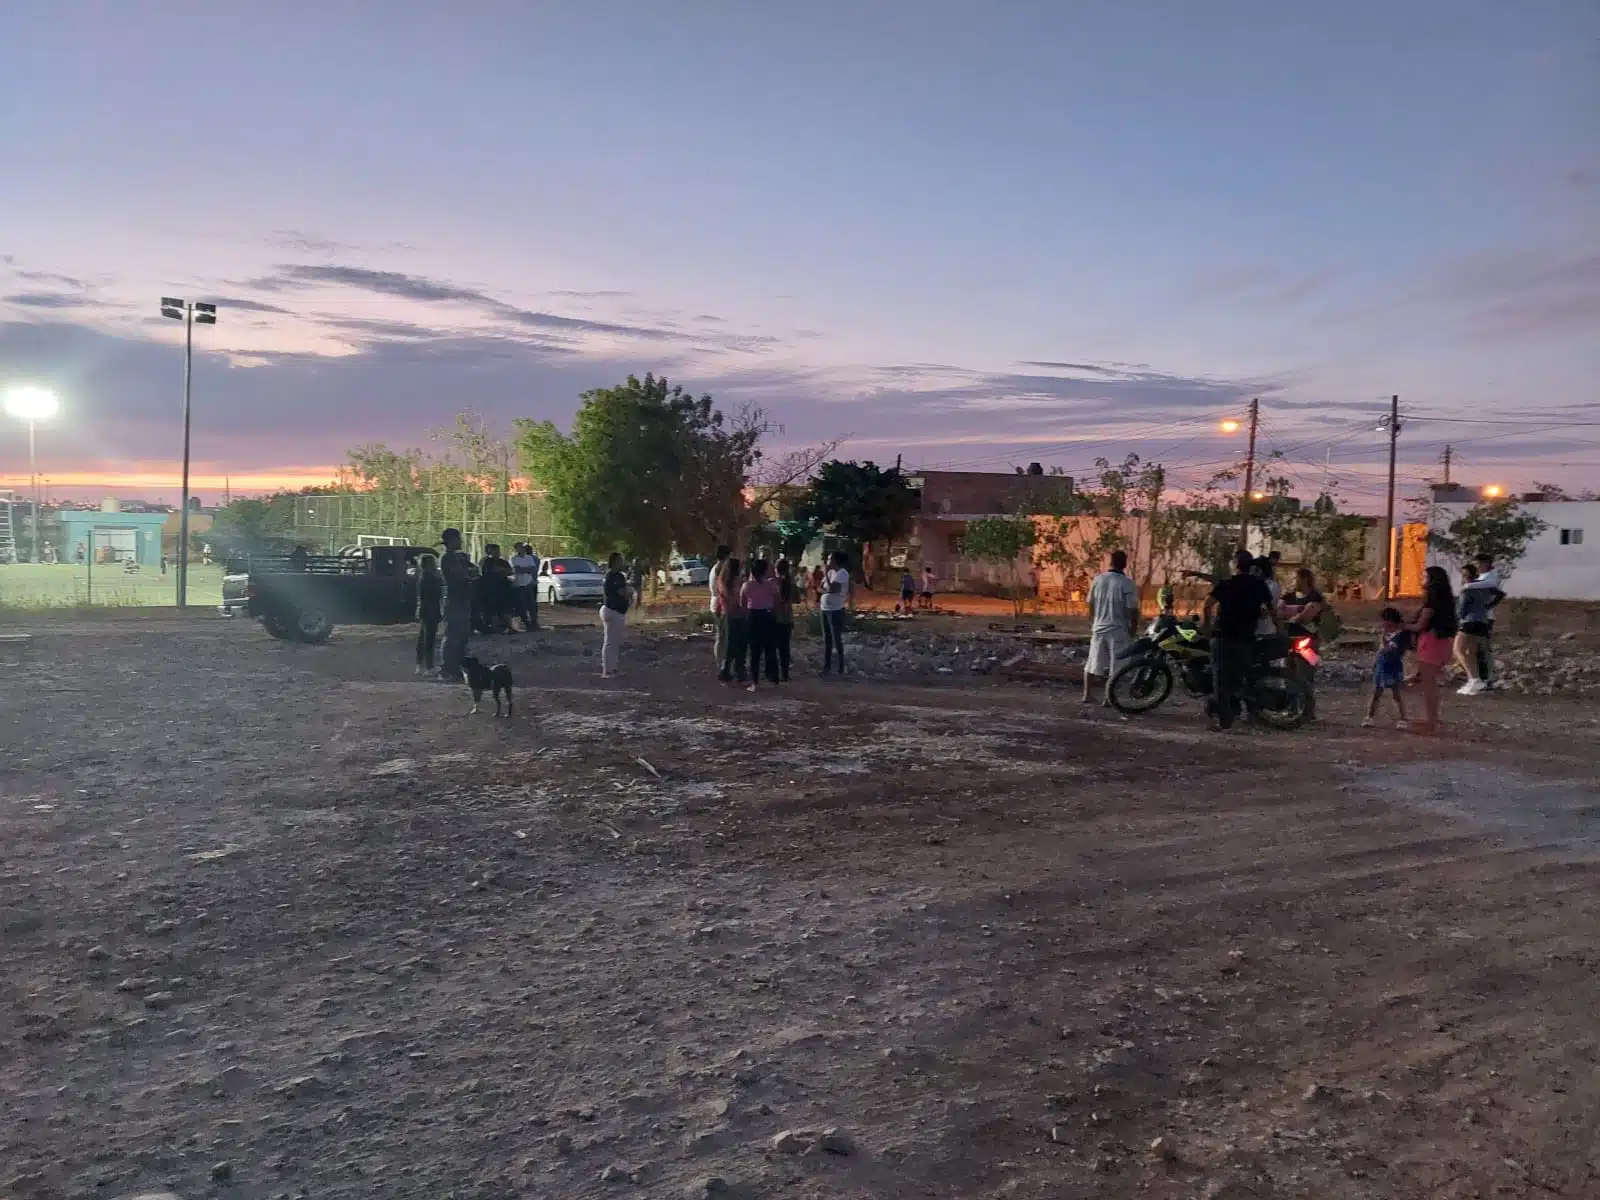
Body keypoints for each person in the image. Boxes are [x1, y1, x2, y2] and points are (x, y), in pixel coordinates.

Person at [1203, 550, 1276, 731]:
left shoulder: (1226, 584)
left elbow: (1207, 604)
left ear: (1236, 564)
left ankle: (1224, 719)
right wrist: (1279, 630)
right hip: (1245, 639)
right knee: (1240, 678)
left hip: (1222, 637)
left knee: (1220, 679)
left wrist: (1206, 626)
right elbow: (1271, 610)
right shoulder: (1259, 586)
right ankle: (1240, 714)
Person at [1083, 550, 1140, 705]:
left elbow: (1090, 604)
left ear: (1110, 562)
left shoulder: (1098, 579)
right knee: (1117, 665)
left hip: (1098, 627)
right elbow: (1132, 609)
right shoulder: (1127, 583)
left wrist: (1092, 622)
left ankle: (1087, 694)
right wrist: (1133, 628)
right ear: (1125, 564)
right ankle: (1108, 698)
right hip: (1118, 629)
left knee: (1093, 661)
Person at [1407, 565, 1458, 735]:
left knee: (1429, 685)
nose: (1423, 580)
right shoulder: (1446, 602)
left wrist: (1401, 626)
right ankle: (1431, 719)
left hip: (1431, 643)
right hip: (1441, 642)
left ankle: (1431, 722)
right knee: (1430, 683)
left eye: (1425, 577)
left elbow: (1419, 625)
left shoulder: (1431, 602)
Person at [1281, 566, 1326, 721]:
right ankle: (1292, 709)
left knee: (1306, 676)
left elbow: (1307, 616)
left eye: (1297, 578)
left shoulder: (1315, 596)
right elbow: (1279, 611)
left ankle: (1308, 712)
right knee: (1288, 674)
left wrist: (1292, 613)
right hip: (1289, 640)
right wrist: (1299, 610)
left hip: (1309, 642)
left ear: (1305, 579)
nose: (1295, 581)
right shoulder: (1288, 596)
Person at [1363, 607, 1411, 727]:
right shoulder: (1385, 634)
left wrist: (1383, 648)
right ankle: (1369, 716)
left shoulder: (1401, 635)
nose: (1383, 623)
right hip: (1381, 665)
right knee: (1376, 692)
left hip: (1393, 666)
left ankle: (1402, 718)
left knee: (1396, 693)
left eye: (1385, 620)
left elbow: (1390, 649)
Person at [439, 528, 475, 683]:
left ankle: (457, 666)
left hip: (462, 599)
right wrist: (467, 571)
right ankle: (447, 668)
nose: (460, 541)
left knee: (462, 636)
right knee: (453, 635)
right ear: (451, 541)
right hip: (454, 600)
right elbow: (460, 576)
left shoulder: (456, 558)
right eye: (458, 539)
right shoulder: (447, 558)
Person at [1464, 555, 1505, 690]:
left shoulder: (1489, 578)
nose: (1477, 566)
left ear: (1486, 563)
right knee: (1475, 649)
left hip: (1486, 618)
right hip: (1477, 618)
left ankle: (1487, 679)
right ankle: (1480, 677)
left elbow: (1499, 594)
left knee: (1483, 648)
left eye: (1478, 564)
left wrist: (1488, 606)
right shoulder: (1480, 579)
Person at [740, 558, 782, 691]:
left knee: (755, 651)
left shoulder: (747, 585)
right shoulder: (771, 585)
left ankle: (755, 682)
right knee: (770, 649)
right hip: (768, 616)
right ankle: (774, 679)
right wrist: (774, 614)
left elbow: (743, 604)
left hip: (753, 617)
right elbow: (777, 601)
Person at [1454, 563, 1495, 695]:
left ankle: (1473, 678)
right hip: (1482, 621)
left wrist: (1457, 619)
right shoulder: (1482, 589)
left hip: (1469, 622)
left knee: (1458, 649)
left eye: (1464, 575)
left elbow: (1461, 609)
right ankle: (1476, 680)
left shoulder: (1467, 589)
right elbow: (1496, 596)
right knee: (1470, 652)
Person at [716, 557, 748, 684]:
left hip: (728, 613)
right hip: (737, 615)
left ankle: (727, 669)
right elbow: (737, 598)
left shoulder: (722, 581)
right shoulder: (736, 581)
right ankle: (737, 670)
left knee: (731, 644)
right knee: (740, 644)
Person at [820, 551, 851, 676]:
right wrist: (827, 584)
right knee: (827, 639)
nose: (827, 562)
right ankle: (826, 667)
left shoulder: (842, 573)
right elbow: (820, 587)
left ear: (835, 561)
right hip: (825, 608)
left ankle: (840, 667)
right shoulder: (831, 573)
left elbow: (833, 589)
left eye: (829, 559)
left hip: (836, 609)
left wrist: (826, 576)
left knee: (836, 638)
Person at [600, 551, 630, 678]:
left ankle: (612, 668)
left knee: (614, 641)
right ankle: (607, 670)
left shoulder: (619, 576)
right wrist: (628, 592)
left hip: (617, 610)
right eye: (619, 560)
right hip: (612, 610)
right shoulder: (612, 576)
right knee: (610, 641)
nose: (621, 562)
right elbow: (620, 591)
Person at [415, 553, 443, 675]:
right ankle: (429, 666)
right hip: (430, 609)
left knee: (423, 638)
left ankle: (420, 665)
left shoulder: (424, 576)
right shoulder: (430, 577)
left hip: (426, 609)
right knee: (429, 638)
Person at [477, 543, 514, 633]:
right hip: (490, 588)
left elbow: (510, 571)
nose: (497, 552)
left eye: (498, 551)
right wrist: (501, 571)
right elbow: (488, 571)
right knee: (490, 608)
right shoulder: (487, 561)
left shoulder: (503, 562)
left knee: (503, 607)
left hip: (502, 587)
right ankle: (489, 626)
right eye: (494, 551)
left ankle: (505, 625)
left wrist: (501, 571)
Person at [774, 558, 797, 681]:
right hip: (786, 618)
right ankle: (785, 673)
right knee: (785, 647)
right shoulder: (789, 582)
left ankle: (773, 672)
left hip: (775, 617)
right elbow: (789, 603)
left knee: (773, 647)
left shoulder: (774, 582)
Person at [709, 544, 732, 670]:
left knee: (721, 636)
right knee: (724, 637)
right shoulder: (721, 569)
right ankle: (722, 665)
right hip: (720, 604)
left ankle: (721, 664)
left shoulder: (715, 568)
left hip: (715, 602)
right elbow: (722, 588)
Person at [510, 542, 541, 631]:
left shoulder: (529, 558)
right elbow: (517, 570)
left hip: (529, 583)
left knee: (532, 604)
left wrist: (525, 570)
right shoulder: (514, 558)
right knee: (522, 605)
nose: (520, 549)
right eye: (518, 548)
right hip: (519, 584)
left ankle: (534, 623)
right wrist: (527, 569)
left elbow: (533, 569)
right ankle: (526, 623)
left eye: (521, 547)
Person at [1253, 556, 1282, 638]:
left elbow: (1263, 612)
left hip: (1260, 632)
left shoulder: (1268, 586)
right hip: (1268, 630)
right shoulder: (1275, 585)